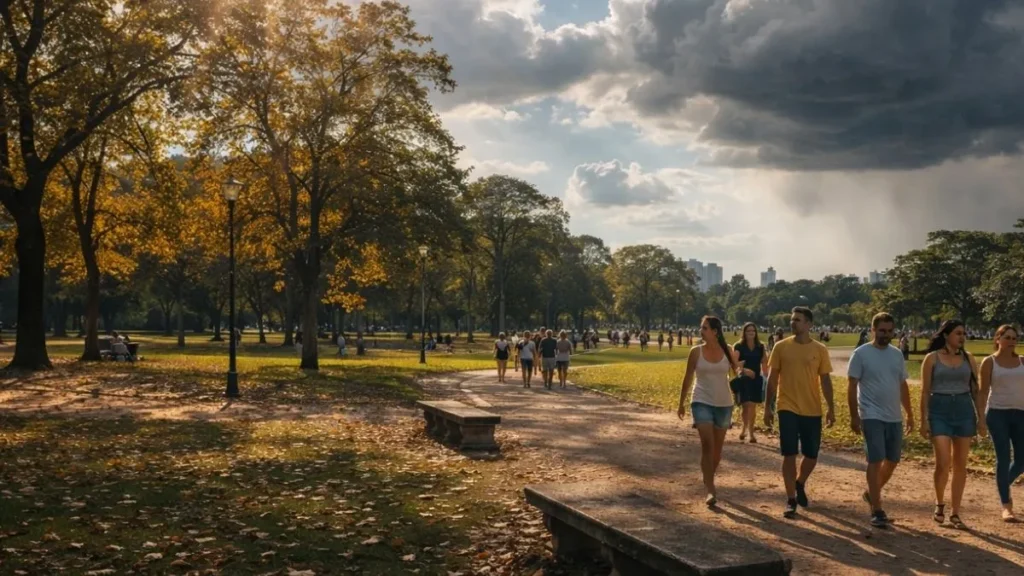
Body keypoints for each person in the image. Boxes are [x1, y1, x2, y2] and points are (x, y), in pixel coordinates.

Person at [764, 306, 834, 519]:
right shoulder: (780, 347)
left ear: (809, 324)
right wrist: (768, 407)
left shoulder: (820, 349)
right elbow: (773, 379)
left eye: (798, 320)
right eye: (792, 319)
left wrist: (831, 407)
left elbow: (825, 379)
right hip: (787, 407)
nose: (793, 323)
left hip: (812, 409)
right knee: (789, 453)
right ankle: (791, 499)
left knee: (811, 455)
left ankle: (799, 482)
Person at [847, 312, 915, 528]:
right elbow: (851, 385)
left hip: (894, 415)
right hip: (871, 414)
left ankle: (871, 493)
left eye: (889, 331)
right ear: (873, 329)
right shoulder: (861, 354)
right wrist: (854, 416)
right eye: (882, 331)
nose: (886, 335)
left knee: (893, 460)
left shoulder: (896, 354)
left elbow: (902, 385)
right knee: (875, 459)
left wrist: (910, 414)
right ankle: (877, 509)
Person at [920, 319, 980, 529]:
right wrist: (923, 420)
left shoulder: (969, 358)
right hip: (939, 410)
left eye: (964, 333)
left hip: (964, 410)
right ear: (946, 335)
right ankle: (939, 503)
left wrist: (981, 419)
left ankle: (955, 512)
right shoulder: (932, 358)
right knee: (943, 463)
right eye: (958, 333)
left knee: (961, 465)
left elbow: (975, 391)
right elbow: (925, 391)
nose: (962, 337)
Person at [677, 316, 742, 507]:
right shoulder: (695, 352)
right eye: (701, 327)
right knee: (707, 444)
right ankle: (711, 489)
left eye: (704, 328)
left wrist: (744, 371)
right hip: (701, 401)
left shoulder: (727, 350)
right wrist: (681, 403)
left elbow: (735, 372)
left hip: (724, 403)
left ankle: (708, 476)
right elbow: (688, 377)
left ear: (715, 331)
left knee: (717, 453)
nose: (700, 331)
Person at [978, 324, 1024, 522]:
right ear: (997, 339)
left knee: (1022, 460)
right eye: (1007, 337)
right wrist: (980, 418)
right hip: (997, 414)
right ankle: (1006, 506)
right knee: (1003, 458)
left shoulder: (1022, 361)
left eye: (1014, 337)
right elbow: (982, 392)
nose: (1011, 341)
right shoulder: (990, 362)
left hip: (1021, 414)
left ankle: (1002, 482)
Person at [734, 322, 769, 444]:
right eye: (748, 331)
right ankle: (744, 428)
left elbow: (765, 363)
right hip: (744, 379)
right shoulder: (739, 346)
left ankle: (751, 432)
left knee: (753, 406)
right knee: (745, 406)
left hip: (756, 380)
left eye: (753, 331)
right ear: (744, 332)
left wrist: (766, 377)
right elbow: (734, 363)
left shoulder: (760, 346)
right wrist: (744, 370)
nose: (751, 333)